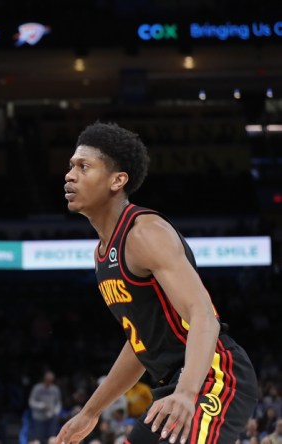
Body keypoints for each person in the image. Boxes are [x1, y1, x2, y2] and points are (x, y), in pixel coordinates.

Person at [55, 122, 258, 444]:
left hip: (213, 376)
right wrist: (90, 411)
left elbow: (203, 315)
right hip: (171, 385)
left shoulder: (145, 233)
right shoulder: (103, 253)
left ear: (117, 180)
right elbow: (141, 345)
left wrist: (188, 392)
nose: (70, 175)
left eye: (83, 166)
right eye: (70, 167)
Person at [28, 371, 61, 443]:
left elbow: (58, 403)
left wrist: (56, 411)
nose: (49, 382)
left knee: (52, 438)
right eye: (47, 380)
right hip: (39, 417)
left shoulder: (55, 389)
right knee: (39, 439)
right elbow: (31, 402)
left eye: (51, 380)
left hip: (51, 417)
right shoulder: (37, 388)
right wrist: (41, 406)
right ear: (44, 379)